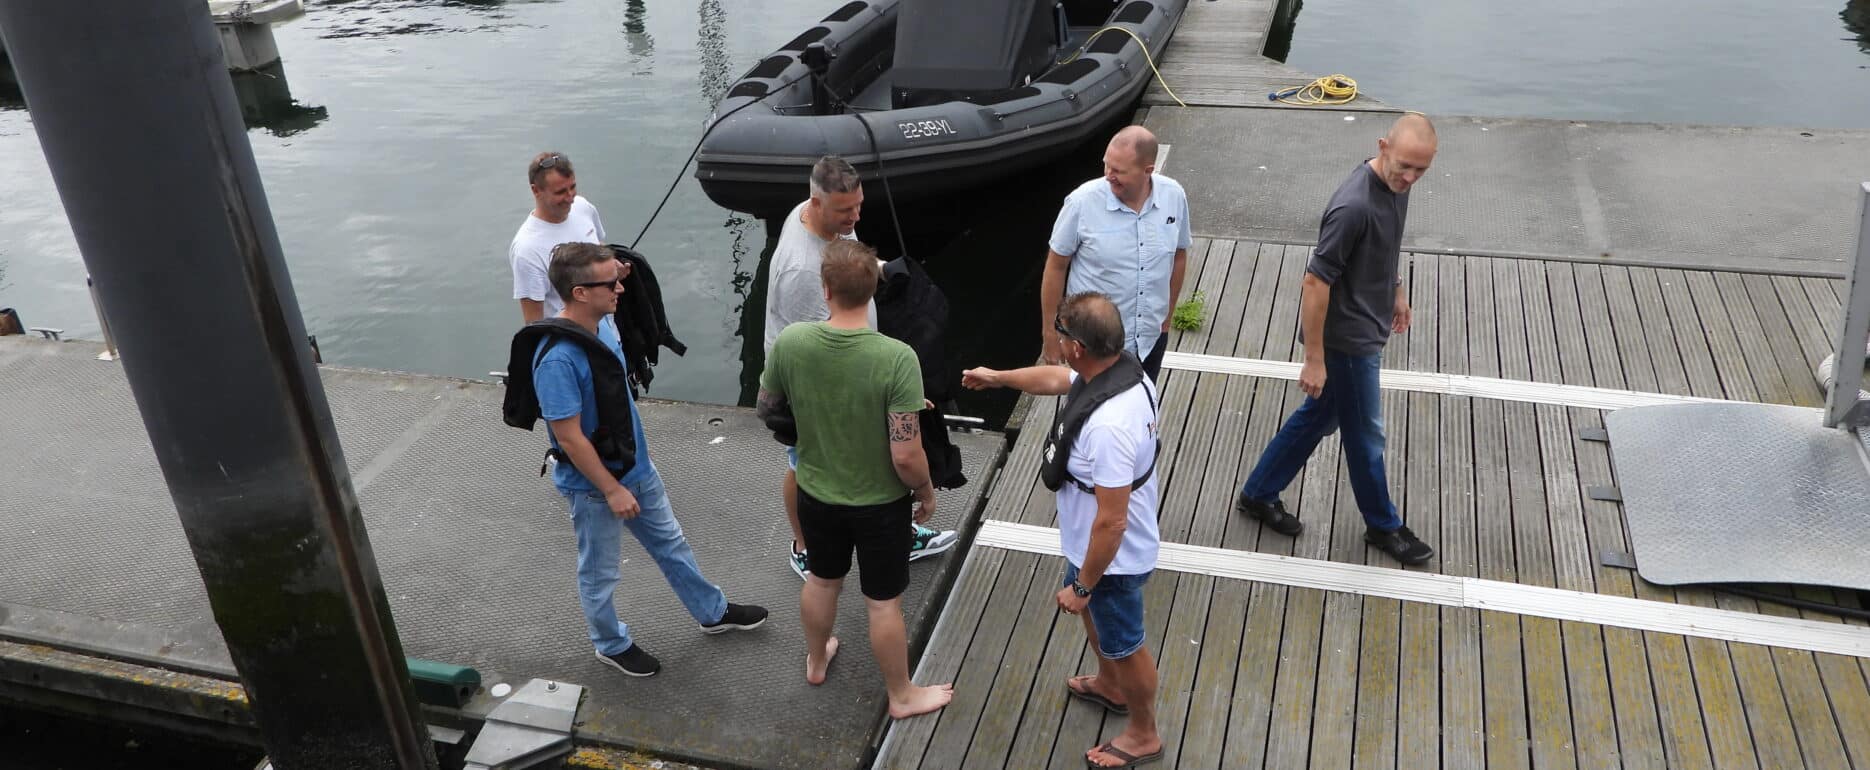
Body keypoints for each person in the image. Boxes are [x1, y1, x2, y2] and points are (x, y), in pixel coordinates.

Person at [506, 242, 766, 677]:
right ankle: (609, 643)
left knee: (672, 544)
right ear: (580, 293)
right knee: (600, 572)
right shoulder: (557, 360)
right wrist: (611, 490)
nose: (620, 290)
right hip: (595, 488)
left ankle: (712, 611)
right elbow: (568, 437)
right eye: (610, 284)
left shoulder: (603, 325)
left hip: (638, 467)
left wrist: (615, 271)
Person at [961, 292, 1163, 769]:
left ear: (1077, 347)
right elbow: (1057, 379)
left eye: (1060, 332)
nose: (1056, 338)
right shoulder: (1119, 370)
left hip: (1112, 560)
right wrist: (998, 377)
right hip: (1086, 544)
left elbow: (1112, 521)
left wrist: (1083, 585)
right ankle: (1110, 685)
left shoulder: (1109, 427)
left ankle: (1143, 734)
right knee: (1102, 626)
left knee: (1128, 646)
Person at [757, 239, 955, 719]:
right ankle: (901, 695)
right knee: (882, 603)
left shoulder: (792, 342)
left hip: (816, 491)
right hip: (879, 504)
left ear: (825, 289)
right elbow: (905, 454)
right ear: (873, 291)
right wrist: (925, 490)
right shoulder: (896, 357)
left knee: (822, 581)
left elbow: (768, 407)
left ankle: (816, 659)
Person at [1234, 113, 1439, 566]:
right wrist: (1315, 359)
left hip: (1366, 323)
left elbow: (1385, 245)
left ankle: (1258, 493)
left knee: (1320, 417)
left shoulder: (1396, 185)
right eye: (1405, 166)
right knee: (1366, 436)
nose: (1410, 177)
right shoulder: (1353, 206)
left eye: (1421, 169)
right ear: (1383, 147)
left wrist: (1396, 289)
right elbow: (1315, 281)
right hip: (1347, 341)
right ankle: (1383, 525)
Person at [763, 155, 955, 581]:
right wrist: (888, 396)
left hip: (856, 356)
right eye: (845, 210)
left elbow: (846, 263)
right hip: (818, 381)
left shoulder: (826, 220)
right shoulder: (801, 272)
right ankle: (805, 547)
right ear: (816, 202)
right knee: (805, 462)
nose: (854, 218)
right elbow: (822, 355)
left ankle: (898, 533)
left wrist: (881, 270)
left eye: (858, 206)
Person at [1040, 125, 1192, 381]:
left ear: (1148, 171)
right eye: (1106, 165)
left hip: (1149, 340)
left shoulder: (1174, 196)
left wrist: (1167, 318)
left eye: (1118, 171)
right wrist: (1050, 333)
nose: (1108, 176)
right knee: (1089, 405)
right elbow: (1056, 266)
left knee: (1142, 401)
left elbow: (1178, 256)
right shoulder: (1081, 203)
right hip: (1092, 345)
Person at [511, 151, 607, 323]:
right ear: (536, 190)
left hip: (610, 332)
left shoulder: (583, 207)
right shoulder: (527, 249)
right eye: (560, 192)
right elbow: (533, 323)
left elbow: (601, 249)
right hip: (572, 336)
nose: (570, 198)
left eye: (573, 187)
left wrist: (614, 269)